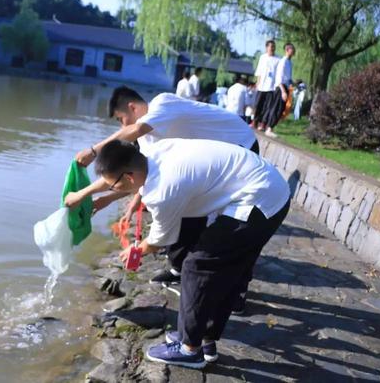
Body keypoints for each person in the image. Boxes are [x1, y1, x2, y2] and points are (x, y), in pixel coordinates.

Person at [96, 139, 290, 369]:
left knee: (196, 266)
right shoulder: (155, 152)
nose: (113, 191)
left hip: (258, 200)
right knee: (228, 271)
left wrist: (135, 250)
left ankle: (190, 349)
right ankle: (204, 339)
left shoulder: (162, 189)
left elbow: (160, 240)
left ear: (129, 177)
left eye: (113, 186)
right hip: (270, 188)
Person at [67, 86, 258, 298]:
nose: (123, 126)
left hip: (241, 148)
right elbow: (137, 179)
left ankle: (236, 290)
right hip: (210, 167)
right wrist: (105, 198)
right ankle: (182, 268)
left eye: (121, 119)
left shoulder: (162, 103)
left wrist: (95, 151)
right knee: (188, 211)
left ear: (132, 107)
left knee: (232, 229)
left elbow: (132, 133)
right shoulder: (150, 141)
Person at [261, 43, 295, 137]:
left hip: (286, 87)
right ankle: (269, 128)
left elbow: (288, 77)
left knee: (280, 109)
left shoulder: (289, 63)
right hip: (281, 88)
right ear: (287, 50)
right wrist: (283, 91)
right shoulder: (283, 61)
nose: (294, 51)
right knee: (276, 108)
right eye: (292, 49)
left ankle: (271, 127)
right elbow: (279, 78)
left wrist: (292, 83)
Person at [252, 40, 280, 134]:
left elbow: (278, 74)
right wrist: (257, 82)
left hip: (271, 86)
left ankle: (262, 123)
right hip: (261, 85)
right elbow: (259, 71)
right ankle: (255, 121)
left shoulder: (278, 59)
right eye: (270, 46)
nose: (271, 48)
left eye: (273, 46)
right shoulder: (263, 57)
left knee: (267, 107)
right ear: (266, 47)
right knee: (258, 104)